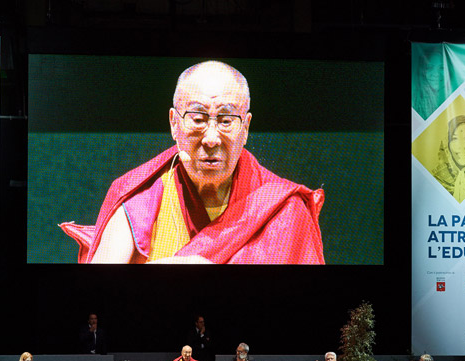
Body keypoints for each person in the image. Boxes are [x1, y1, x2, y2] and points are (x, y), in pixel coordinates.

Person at [59, 60, 325, 264]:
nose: (211, 138)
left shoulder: (284, 209)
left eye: (225, 120)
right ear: (174, 124)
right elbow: (97, 292)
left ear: (245, 129)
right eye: (197, 119)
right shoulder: (139, 202)